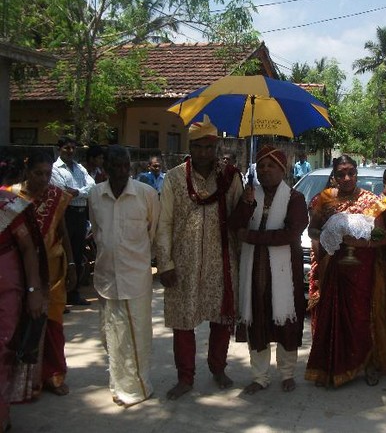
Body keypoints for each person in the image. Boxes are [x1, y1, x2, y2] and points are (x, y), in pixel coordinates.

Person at [155, 115, 244, 400]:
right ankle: (185, 377)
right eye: (198, 147)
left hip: (222, 262)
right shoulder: (174, 178)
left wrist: (248, 199)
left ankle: (218, 368)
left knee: (221, 320)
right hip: (184, 263)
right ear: (190, 147)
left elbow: (240, 219)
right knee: (183, 321)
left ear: (216, 147)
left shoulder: (230, 177)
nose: (204, 153)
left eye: (209, 147)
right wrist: (164, 263)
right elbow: (164, 222)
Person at [305, 155, 386, 388]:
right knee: (333, 317)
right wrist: (329, 236)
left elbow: (382, 238)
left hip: (363, 271)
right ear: (334, 177)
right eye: (341, 174)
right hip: (334, 268)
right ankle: (332, 367)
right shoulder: (324, 200)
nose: (346, 178)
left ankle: (367, 364)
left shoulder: (371, 201)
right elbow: (312, 230)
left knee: (361, 317)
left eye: (351, 173)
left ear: (356, 173)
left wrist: (359, 242)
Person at [229, 146, 308, 394]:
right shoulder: (251, 195)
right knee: (257, 321)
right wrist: (246, 204)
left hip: (285, 273)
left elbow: (290, 234)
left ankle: (287, 373)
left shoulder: (295, 199)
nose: (265, 170)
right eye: (261, 166)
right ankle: (259, 376)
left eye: (271, 166)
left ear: (282, 170)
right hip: (254, 271)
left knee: (286, 322)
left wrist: (252, 237)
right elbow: (234, 225)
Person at [89, 145, 159, 407]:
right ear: (105, 167)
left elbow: (154, 232)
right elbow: (97, 232)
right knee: (112, 336)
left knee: (137, 336)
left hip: (136, 277)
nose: (121, 172)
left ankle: (138, 389)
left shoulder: (146, 194)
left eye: (125, 166)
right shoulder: (95, 195)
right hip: (106, 277)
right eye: (115, 166)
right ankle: (119, 386)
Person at [9, 150, 74, 399]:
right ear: (27, 170)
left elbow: (63, 232)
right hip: (20, 271)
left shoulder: (57, 196)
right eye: (38, 173)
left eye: (47, 174)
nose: (44, 179)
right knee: (21, 323)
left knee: (53, 323)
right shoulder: (11, 196)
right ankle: (22, 383)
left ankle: (53, 374)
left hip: (53, 270)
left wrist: (73, 264)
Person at [0, 180, 46, 432]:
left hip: (7, 287)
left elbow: (28, 248)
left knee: (3, 349)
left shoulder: (7, 204)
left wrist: (33, 291)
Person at [50, 136, 95, 306]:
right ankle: (61, 295)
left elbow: (92, 187)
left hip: (81, 214)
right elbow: (62, 191)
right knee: (63, 253)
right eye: (66, 148)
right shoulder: (55, 169)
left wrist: (77, 192)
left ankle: (73, 293)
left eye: (72, 148)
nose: (70, 151)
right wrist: (80, 192)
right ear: (59, 149)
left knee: (77, 252)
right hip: (66, 214)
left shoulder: (79, 167)